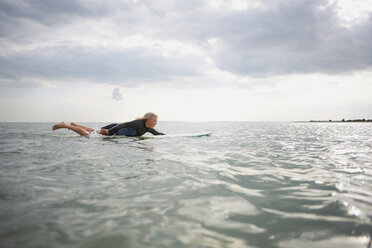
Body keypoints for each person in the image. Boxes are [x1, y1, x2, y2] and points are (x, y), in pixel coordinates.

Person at [52, 112, 165, 137]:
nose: (156, 123)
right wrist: (109, 131)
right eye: (154, 121)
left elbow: (157, 133)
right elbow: (122, 124)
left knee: (92, 131)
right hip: (114, 128)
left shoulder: (147, 128)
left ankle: (75, 125)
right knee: (87, 135)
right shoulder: (137, 123)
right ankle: (65, 125)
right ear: (148, 120)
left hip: (114, 130)